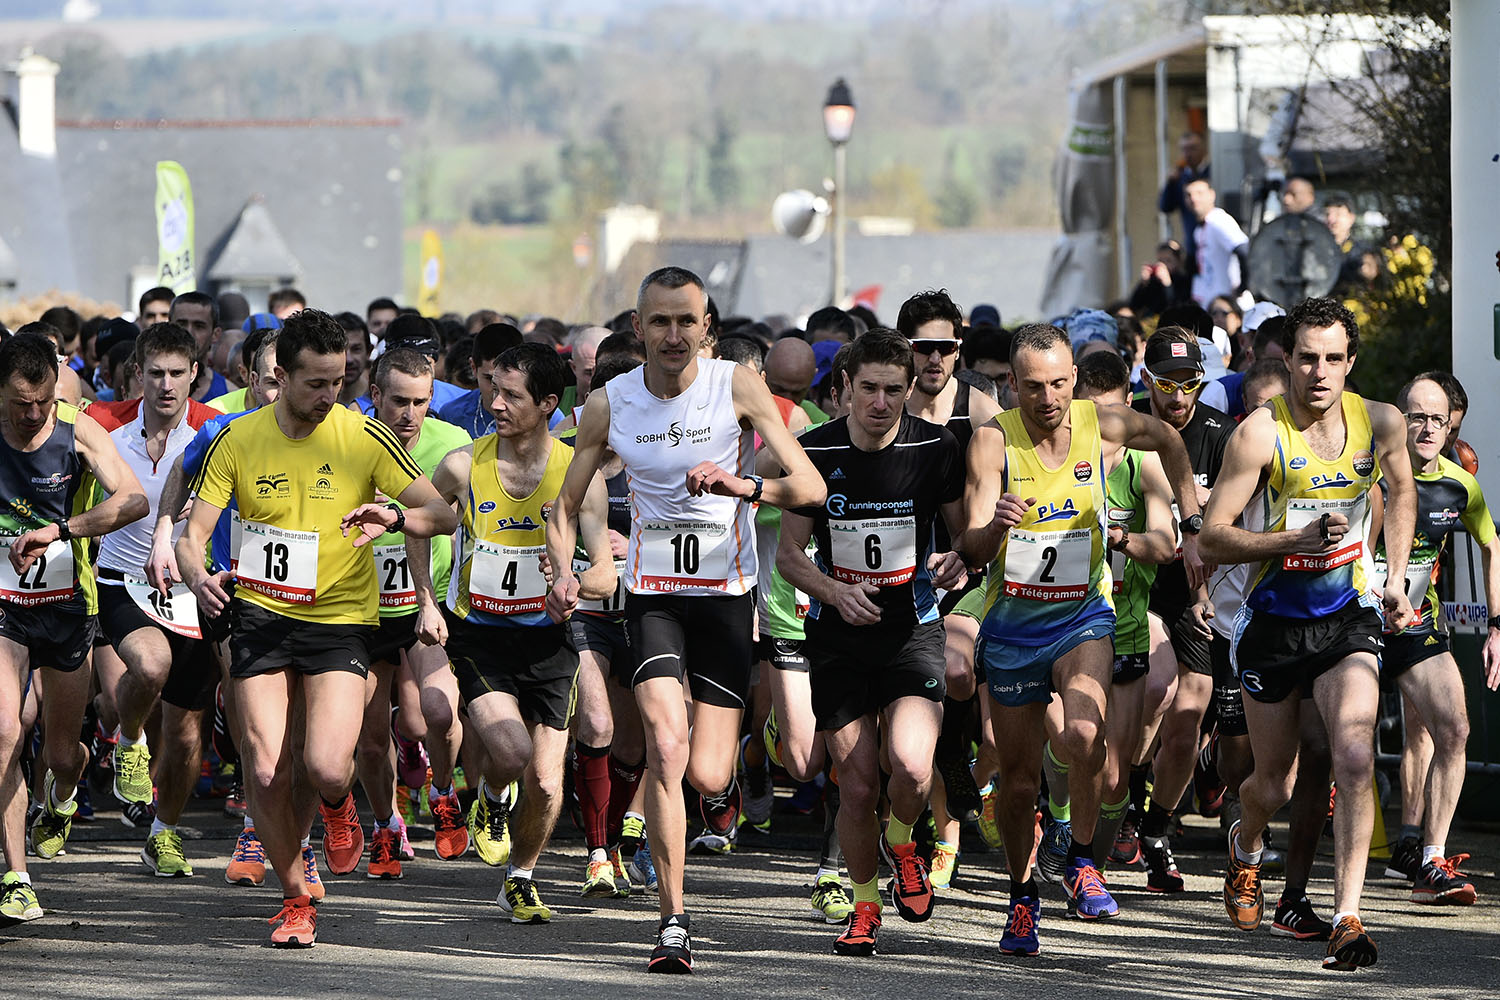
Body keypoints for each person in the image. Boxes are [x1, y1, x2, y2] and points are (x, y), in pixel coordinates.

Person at [544, 266, 825, 973]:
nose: (673, 334)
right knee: (667, 750)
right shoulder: (608, 403)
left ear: (707, 328)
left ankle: (741, 753)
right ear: (637, 329)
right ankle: (673, 921)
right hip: (654, 596)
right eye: (659, 321)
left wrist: (743, 484)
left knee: (706, 772)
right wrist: (563, 573)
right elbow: (563, 503)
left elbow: (810, 487)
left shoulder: (736, 385)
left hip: (726, 599)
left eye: (686, 321)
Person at [175, 308, 456, 948]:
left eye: (339, 381)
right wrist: (197, 577)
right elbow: (193, 536)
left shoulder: (362, 435)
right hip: (260, 615)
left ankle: (338, 807)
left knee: (328, 766)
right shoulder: (236, 439)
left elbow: (439, 513)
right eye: (316, 384)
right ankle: (295, 895)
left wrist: (392, 516)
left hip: (338, 621)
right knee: (266, 767)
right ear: (280, 374)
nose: (330, 396)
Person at [956, 323, 1204, 957]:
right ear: (1012, 385)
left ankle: (1084, 859)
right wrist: (996, 526)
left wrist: (1193, 519)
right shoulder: (992, 443)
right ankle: (1020, 895)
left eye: (1060, 383)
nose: (1049, 398)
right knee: (1016, 780)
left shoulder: (1105, 424)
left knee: (1086, 735)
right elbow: (974, 546)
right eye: (1034, 386)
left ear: (1074, 379)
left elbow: (1171, 439)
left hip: (1082, 615)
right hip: (1013, 624)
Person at [1200, 295, 1416, 972]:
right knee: (1275, 783)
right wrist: (1290, 538)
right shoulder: (1259, 435)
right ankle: (1246, 842)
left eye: (1333, 359)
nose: (1319, 373)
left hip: (1346, 615)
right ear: (1285, 360)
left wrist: (1396, 576)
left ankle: (1348, 916)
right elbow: (1211, 534)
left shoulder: (1380, 422)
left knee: (1353, 756)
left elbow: (1403, 493)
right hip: (1272, 624)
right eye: (1306, 358)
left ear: (1351, 361)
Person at [776, 329, 969, 956]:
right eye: (869, 389)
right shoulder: (812, 450)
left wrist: (957, 558)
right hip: (838, 634)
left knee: (911, 769)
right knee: (856, 783)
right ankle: (864, 906)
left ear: (910, 389)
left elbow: (962, 539)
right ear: (844, 390)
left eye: (893, 389)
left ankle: (903, 835)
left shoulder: (938, 447)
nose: (881, 402)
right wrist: (833, 591)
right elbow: (788, 556)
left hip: (912, 627)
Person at [411, 342, 615, 923]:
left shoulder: (578, 479)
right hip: (480, 633)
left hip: (550, 637)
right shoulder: (461, 464)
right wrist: (427, 601)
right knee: (511, 750)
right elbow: (421, 523)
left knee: (549, 785)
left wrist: (578, 583)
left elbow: (603, 568)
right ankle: (492, 798)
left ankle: (519, 878)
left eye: (511, 395)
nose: (494, 403)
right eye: (492, 390)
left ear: (549, 403)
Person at [0, 334, 148, 924]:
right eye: (20, 403)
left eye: (42, 402)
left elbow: (133, 500)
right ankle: (16, 875)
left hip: (66, 607)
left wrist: (63, 531)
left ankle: (63, 791)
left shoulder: (78, 429)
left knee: (60, 753)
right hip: (5, 605)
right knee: (6, 733)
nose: (33, 415)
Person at [84, 323, 223, 878]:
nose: (166, 386)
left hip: (193, 587)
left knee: (189, 733)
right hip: (123, 577)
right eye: (155, 373)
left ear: (195, 374)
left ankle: (164, 833)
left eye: (177, 374)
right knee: (149, 665)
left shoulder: (216, 431)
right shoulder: (103, 427)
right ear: (136, 374)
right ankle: (130, 738)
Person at [147, 332, 282, 892]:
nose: (282, 392)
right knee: (221, 726)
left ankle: (282, 832)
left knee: (291, 736)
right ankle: (206, 825)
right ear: (251, 377)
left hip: (311, 602)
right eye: (272, 379)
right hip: (231, 592)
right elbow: (182, 466)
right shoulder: (225, 431)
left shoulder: (335, 432)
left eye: (290, 380)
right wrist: (163, 531)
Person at [1373, 375, 1496, 905]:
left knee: (1453, 726)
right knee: (1313, 754)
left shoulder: (1459, 483)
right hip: (1352, 624)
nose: (1426, 428)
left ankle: (1430, 859)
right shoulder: (1370, 475)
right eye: (1416, 417)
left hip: (1418, 623)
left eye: (1437, 420)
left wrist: (1497, 625)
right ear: (1399, 420)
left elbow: (1493, 546)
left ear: (1451, 427)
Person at [1124, 330, 1234, 891]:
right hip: (1138, 587)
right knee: (1153, 692)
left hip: (1200, 594)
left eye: (1190, 384)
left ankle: (1158, 828)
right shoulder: (1131, 428)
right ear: (1147, 382)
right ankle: (1128, 791)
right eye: (1167, 385)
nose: (1179, 397)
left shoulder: (1221, 434)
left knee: (1190, 713)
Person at [355, 348, 472, 878]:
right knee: (372, 736)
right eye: (398, 401)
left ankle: (444, 791)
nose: (409, 414)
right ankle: (385, 825)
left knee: (439, 714)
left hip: (428, 601)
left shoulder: (451, 445)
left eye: (420, 402)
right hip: (361, 609)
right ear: (374, 395)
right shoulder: (345, 440)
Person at [1068, 351, 1179, 889]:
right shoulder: (1055, 456)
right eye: (1090, 415)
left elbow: (1165, 543)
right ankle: (1069, 836)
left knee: (1116, 776)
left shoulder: (1143, 462)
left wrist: (1120, 538)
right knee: (1075, 740)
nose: (1102, 430)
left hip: (1127, 627)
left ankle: (1091, 860)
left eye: (1111, 416)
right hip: (1062, 628)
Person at [436, 324, 524, 438]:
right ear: (473, 368)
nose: (498, 392)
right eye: (490, 379)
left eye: (508, 381)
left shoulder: (542, 416)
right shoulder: (451, 415)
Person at [1184, 179, 1250, 309]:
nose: (1193, 198)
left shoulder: (1219, 220)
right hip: (1212, 305)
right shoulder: (1199, 229)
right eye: (1188, 195)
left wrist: (1242, 287)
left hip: (1230, 307)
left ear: (1212, 195)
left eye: (1199, 193)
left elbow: (1244, 250)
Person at [1158, 131, 1210, 260]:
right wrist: (1170, 184)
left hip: (1212, 242)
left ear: (1203, 149)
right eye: (1184, 149)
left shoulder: (1212, 172)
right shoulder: (1180, 177)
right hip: (1193, 246)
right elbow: (1165, 207)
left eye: (1192, 148)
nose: (1188, 154)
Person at [169, 292, 230, 402]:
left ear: (215, 334)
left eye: (199, 326)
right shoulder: (145, 389)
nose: (189, 332)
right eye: (181, 324)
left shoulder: (229, 395)